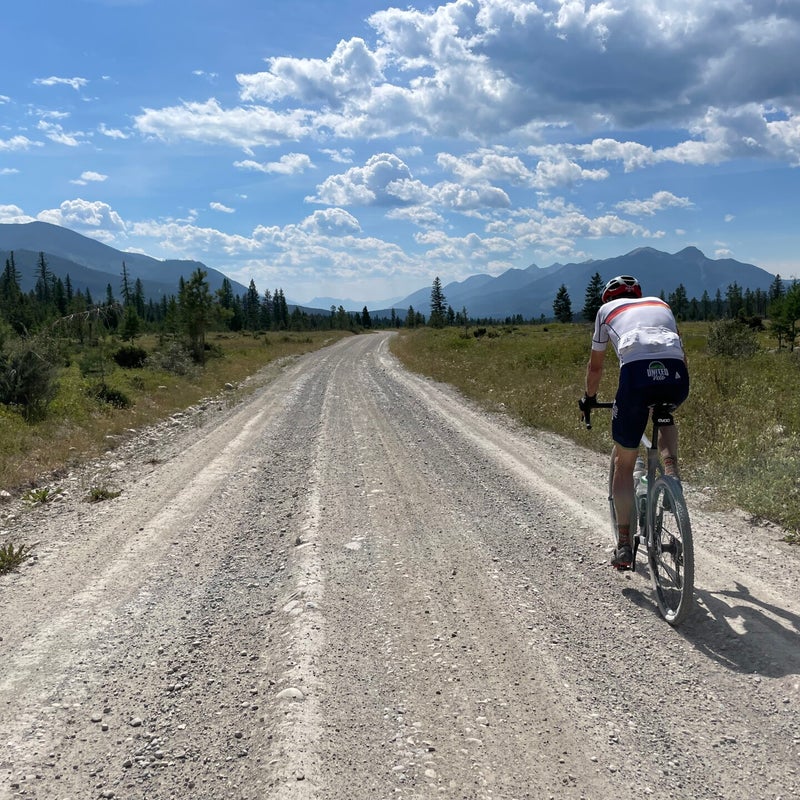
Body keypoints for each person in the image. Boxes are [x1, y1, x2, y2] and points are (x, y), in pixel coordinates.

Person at [580, 275, 689, 570]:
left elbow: (596, 366)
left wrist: (589, 398)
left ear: (608, 299)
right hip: (677, 374)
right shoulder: (660, 303)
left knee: (625, 463)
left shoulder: (606, 312)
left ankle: (625, 544)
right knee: (664, 411)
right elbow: (679, 345)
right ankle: (671, 474)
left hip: (636, 378)